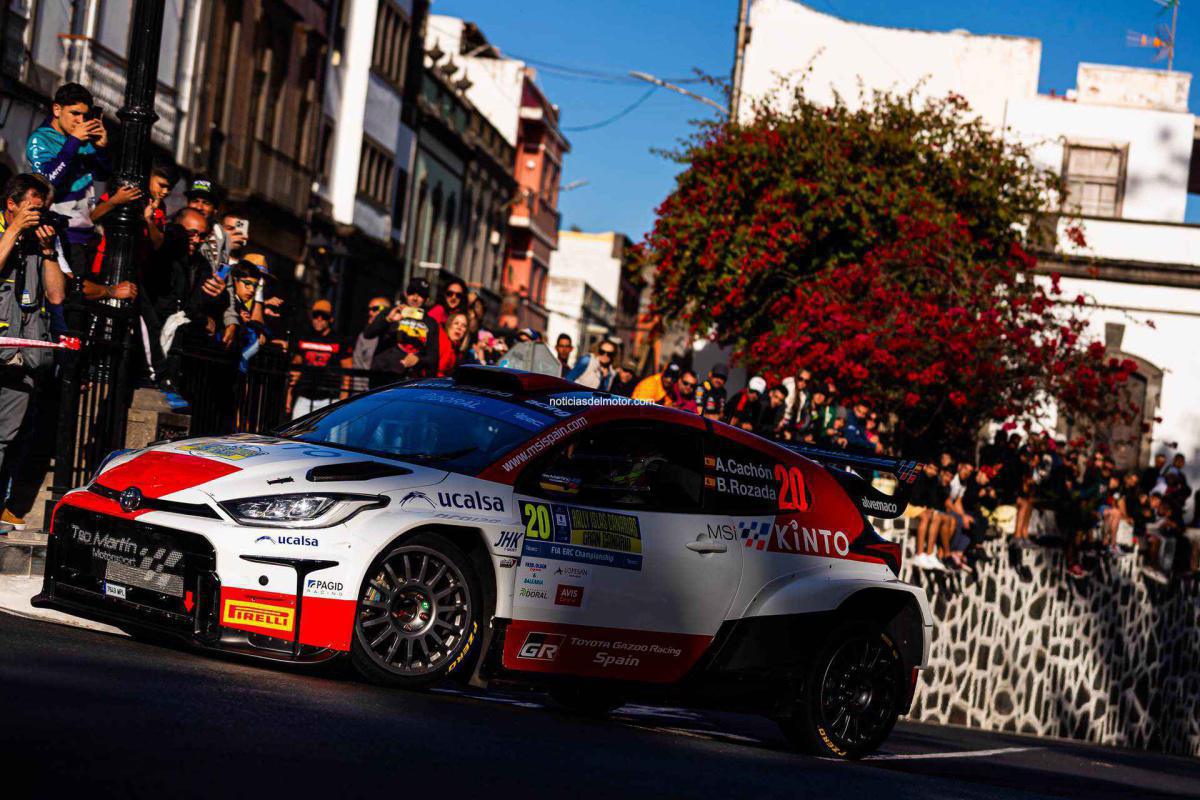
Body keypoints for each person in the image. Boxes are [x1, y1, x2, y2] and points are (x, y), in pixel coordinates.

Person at [0, 174, 68, 535]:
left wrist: (48, 252)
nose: (38, 216)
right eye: (32, 208)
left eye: (43, 210)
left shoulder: (41, 242)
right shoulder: (4, 232)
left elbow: (56, 296)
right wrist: (12, 233)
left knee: (5, 440)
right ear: (11, 204)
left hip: (22, 358)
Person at [25, 83, 110, 276]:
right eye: (75, 113)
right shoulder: (41, 139)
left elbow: (102, 175)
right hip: (58, 234)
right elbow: (47, 182)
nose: (80, 120)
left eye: (84, 115)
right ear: (57, 109)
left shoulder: (82, 139)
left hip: (87, 234)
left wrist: (102, 148)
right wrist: (73, 142)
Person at [363, 278, 434, 387]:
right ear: (406, 293)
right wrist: (388, 320)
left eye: (420, 295)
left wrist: (418, 360)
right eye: (412, 293)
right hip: (381, 377)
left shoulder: (430, 322)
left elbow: (433, 358)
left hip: (409, 381)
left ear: (427, 299)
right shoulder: (390, 311)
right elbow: (368, 334)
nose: (415, 298)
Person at [288, 299, 352, 418]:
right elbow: (296, 367)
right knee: (294, 433)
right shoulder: (304, 338)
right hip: (305, 397)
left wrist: (343, 399)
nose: (319, 319)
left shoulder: (340, 341)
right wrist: (289, 395)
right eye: (315, 315)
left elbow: (347, 370)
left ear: (331, 319)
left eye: (324, 316)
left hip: (330, 399)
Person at [185, 177, 226, 272]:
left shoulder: (222, 236)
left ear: (215, 210)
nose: (199, 207)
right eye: (195, 201)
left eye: (206, 203)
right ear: (187, 204)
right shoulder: (175, 230)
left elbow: (223, 268)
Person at [351, 296, 391, 391]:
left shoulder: (397, 333)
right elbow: (358, 366)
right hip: (366, 394)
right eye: (369, 309)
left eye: (375, 309)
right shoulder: (363, 336)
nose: (370, 313)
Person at [429, 311, 469, 377]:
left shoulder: (457, 350)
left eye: (464, 326)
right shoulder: (441, 337)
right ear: (449, 325)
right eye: (456, 323)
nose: (459, 328)